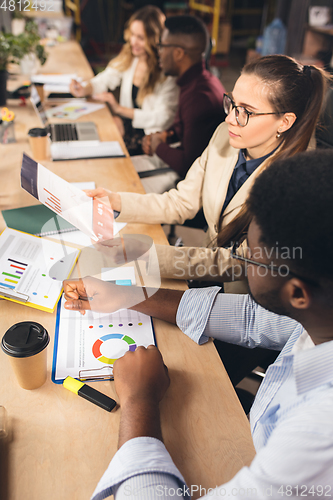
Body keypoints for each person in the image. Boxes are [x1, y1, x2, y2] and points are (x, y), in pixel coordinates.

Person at [64, 149, 333, 498]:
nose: (241, 262)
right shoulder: (319, 307)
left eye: (250, 256)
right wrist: (131, 295)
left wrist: (138, 402)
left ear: (297, 293)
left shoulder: (318, 435)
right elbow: (254, 318)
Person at [85, 55, 328, 292]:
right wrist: (116, 201)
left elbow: (240, 263)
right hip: (201, 273)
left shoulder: (295, 183)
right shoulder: (225, 136)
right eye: (232, 103)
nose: (230, 118)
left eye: (246, 111)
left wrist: (148, 255)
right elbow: (181, 202)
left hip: (242, 298)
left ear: (284, 122)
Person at [130, 15, 226, 193]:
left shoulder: (199, 97)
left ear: (179, 53)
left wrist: (158, 145)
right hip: (183, 168)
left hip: (192, 184)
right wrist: (166, 136)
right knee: (123, 166)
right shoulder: (196, 82)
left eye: (162, 46)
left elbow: (188, 164)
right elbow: (186, 130)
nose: (158, 52)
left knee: (122, 184)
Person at [69, 6, 179, 156]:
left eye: (141, 38)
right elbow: (107, 78)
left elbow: (163, 119)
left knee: (103, 145)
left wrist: (119, 109)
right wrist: (84, 89)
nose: (133, 41)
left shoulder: (167, 73)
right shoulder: (132, 57)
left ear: (155, 39)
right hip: (130, 127)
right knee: (96, 134)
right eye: (132, 34)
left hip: (150, 139)